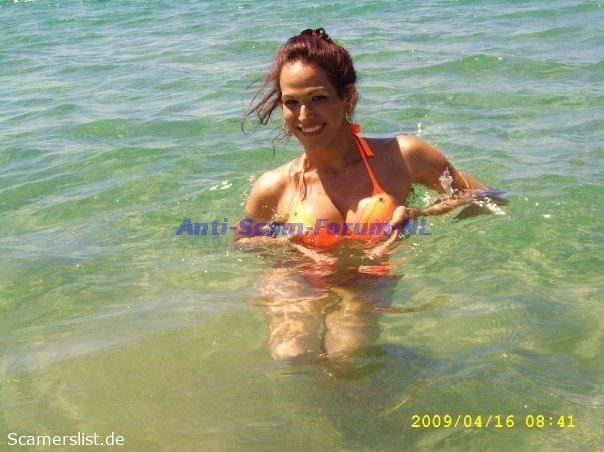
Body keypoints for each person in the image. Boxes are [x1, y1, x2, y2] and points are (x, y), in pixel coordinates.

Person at [237, 28, 497, 364]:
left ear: (347, 97)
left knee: (349, 353)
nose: (304, 116)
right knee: (292, 354)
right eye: (291, 102)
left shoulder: (402, 156)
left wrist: (424, 214)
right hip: (298, 275)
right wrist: (286, 244)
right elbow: (243, 243)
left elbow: (486, 196)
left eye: (318, 98)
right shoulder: (275, 185)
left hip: (369, 274)